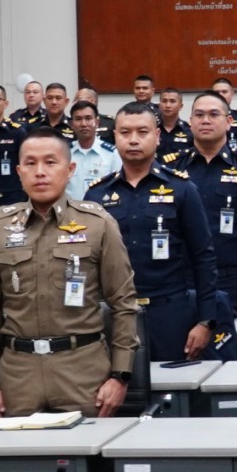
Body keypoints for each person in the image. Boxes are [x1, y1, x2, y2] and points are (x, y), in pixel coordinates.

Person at [0, 126, 139, 417]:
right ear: (19, 171)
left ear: (70, 169)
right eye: (30, 163)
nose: (40, 172)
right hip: (19, 377)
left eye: (50, 162)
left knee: (84, 447)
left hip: (82, 372)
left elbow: (124, 304)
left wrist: (120, 375)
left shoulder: (97, 224)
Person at [86, 102, 216, 366]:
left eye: (142, 132)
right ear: (115, 136)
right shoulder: (97, 194)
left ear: (157, 136)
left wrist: (205, 321)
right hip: (116, 313)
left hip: (170, 312)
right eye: (125, 132)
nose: (133, 139)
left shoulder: (182, 189)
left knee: (172, 388)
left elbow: (203, 257)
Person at [167, 92, 237, 355]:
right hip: (183, 282)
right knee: (183, 357)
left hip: (234, 284)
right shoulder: (172, 169)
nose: (206, 120)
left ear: (228, 122)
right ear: (190, 121)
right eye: (199, 115)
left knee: (231, 361)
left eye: (214, 114)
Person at [65, 100, 120, 200]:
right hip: (70, 209)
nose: (83, 124)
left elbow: (118, 188)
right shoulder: (64, 153)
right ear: (71, 124)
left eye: (88, 118)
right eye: (78, 119)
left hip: (101, 208)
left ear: (97, 123)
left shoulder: (112, 154)